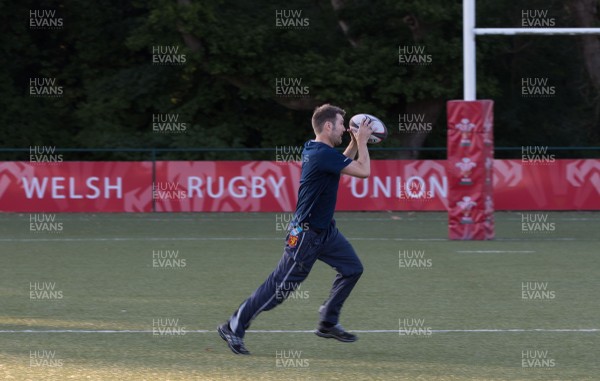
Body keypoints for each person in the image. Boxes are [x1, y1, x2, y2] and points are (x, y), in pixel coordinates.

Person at [218, 104, 373, 355]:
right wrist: (363, 141)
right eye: (342, 124)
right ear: (328, 126)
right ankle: (232, 326)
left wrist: (355, 142)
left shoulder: (318, 150)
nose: (346, 129)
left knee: (352, 269)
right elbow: (363, 171)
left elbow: (343, 161)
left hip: (325, 232)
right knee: (277, 290)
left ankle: (327, 321)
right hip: (306, 237)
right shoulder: (323, 154)